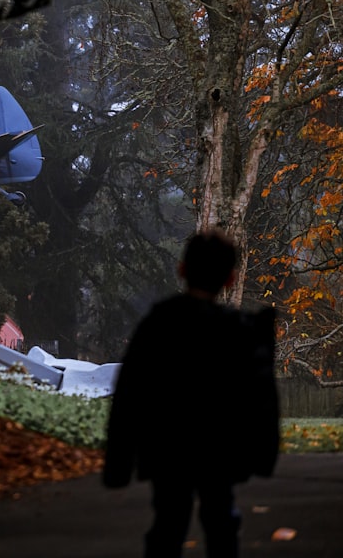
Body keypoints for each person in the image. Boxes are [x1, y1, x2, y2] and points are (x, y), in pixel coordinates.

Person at [103, 230, 279, 558]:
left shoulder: (158, 324)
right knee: (222, 519)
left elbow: (129, 395)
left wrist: (118, 462)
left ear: (182, 270)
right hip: (220, 447)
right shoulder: (239, 330)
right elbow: (261, 398)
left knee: (168, 520)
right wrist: (264, 453)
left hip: (168, 447)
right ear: (230, 278)